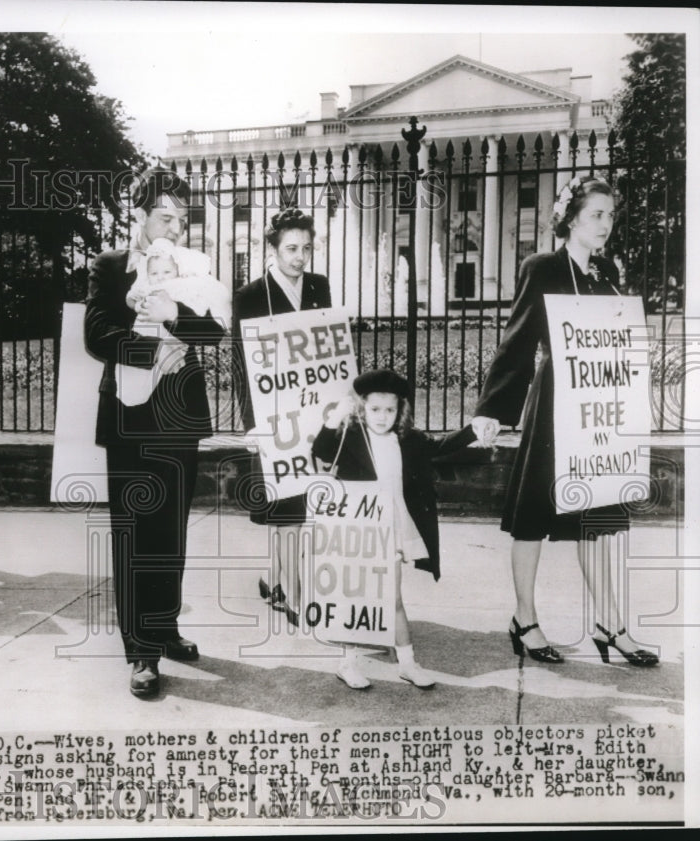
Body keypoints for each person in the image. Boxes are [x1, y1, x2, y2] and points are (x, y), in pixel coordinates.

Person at [472, 176, 658, 667]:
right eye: (597, 214)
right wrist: (492, 409)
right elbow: (517, 342)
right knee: (532, 518)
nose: (606, 224)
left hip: (596, 415)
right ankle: (525, 620)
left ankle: (609, 625)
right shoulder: (543, 267)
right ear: (571, 216)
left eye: (611, 216)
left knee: (596, 520)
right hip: (555, 406)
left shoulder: (605, 274)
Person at [84, 166, 227, 698]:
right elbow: (96, 334)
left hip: (180, 414)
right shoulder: (110, 266)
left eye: (181, 219)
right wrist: (156, 349)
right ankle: (140, 650)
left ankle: (164, 627)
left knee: (171, 529)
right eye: (164, 216)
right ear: (139, 215)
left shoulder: (196, 268)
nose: (174, 227)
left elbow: (213, 332)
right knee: (134, 533)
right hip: (129, 418)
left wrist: (175, 318)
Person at [313, 369, 483, 689]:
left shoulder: (406, 439)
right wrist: (335, 417)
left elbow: (442, 445)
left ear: (400, 410)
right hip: (356, 530)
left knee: (392, 598)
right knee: (356, 596)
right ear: (362, 407)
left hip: (388, 530)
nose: (382, 417)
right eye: (375, 409)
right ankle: (347, 663)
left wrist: (474, 429)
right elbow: (321, 451)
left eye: (390, 410)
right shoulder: (351, 435)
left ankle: (407, 663)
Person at [232, 207, 330, 625]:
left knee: (298, 501)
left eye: (307, 248)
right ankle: (296, 595)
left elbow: (327, 347)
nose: (300, 257)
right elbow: (241, 364)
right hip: (272, 416)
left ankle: (274, 580)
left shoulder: (319, 286)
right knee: (287, 507)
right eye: (291, 248)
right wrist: (251, 422)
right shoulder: (250, 295)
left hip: (312, 410)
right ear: (271, 248)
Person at [117, 236, 231, 406]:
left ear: (177, 271)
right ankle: (130, 393)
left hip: (177, 354)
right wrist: (136, 303)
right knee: (134, 379)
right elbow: (130, 301)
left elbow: (211, 328)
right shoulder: (143, 284)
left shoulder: (183, 285)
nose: (161, 278)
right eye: (154, 273)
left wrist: (173, 312)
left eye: (167, 272)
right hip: (145, 340)